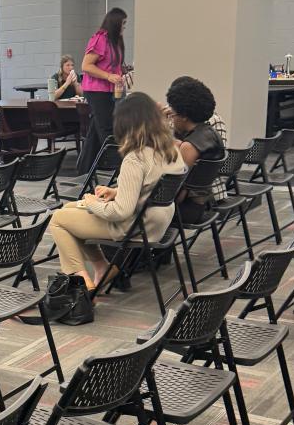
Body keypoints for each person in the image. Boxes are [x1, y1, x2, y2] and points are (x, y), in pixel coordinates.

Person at [44, 92, 185, 325]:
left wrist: (92, 203)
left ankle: (81, 284)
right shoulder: (170, 148)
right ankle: (102, 267)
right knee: (70, 208)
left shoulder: (135, 157)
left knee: (59, 219)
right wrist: (117, 191)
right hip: (156, 221)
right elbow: (151, 186)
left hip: (134, 226)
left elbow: (120, 212)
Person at [78, 7, 132, 174]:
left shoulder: (116, 42)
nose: (125, 26)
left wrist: (122, 73)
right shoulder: (100, 39)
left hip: (110, 90)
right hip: (96, 91)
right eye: (123, 23)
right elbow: (86, 66)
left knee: (95, 130)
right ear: (115, 23)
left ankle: (83, 170)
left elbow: (113, 65)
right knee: (108, 129)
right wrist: (108, 76)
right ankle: (120, 169)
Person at [165, 77, 225, 224]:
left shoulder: (189, 147)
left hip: (183, 211)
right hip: (200, 206)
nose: (172, 118)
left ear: (184, 116)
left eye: (173, 113)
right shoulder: (211, 133)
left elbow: (173, 193)